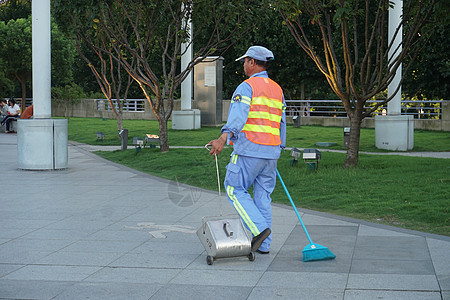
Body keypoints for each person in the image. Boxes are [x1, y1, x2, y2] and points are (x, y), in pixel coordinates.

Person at [208, 46, 286, 254]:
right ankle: (264, 246)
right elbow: (282, 122)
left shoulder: (247, 87)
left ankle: (259, 230)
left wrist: (223, 137)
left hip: (249, 150)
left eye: (245, 61)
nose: (243, 65)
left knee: (234, 188)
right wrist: (279, 148)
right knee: (262, 197)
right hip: (271, 153)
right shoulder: (277, 89)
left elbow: (238, 116)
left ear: (252, 62)